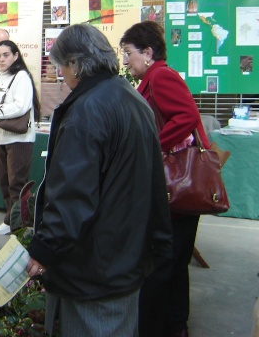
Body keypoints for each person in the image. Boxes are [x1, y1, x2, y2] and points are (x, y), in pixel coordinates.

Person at [24, 24, 172, 337]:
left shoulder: (87, 111)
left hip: (93, 268)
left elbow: (73, 194)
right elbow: (155, 182)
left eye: (61, 67)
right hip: (126, 258)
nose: (62, 75)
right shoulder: (132, 99)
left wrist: (46, 248)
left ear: (76, 64)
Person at [120, 20, 209, 337]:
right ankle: (175, 325)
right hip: (174, 188)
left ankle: (158, 326)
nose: (126, 60)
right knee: (174, 261)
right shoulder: (153, 78)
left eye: (129, 53)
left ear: (147, 52)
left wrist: (154, 145)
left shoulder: (161, 75)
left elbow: (187, 117)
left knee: (163, 262)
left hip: (175, 186)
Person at [0, 39, 40, 235]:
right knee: (5, 182)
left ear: (15, 56)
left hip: (18, 139)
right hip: (0, 137)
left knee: (17, 184)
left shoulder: (21, 77)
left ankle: (20, 225)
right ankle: (10, 220)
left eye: (6, 55)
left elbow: (20, 106)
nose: (2, 59)